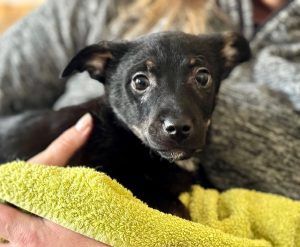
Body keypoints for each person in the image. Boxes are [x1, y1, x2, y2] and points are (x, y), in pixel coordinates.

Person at [0, 0, 299, 245]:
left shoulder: (224, 50)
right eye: (141, 82)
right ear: (99, 67)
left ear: (227, 60)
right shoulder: (98, 8)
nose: (177, 121)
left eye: (202, 78)